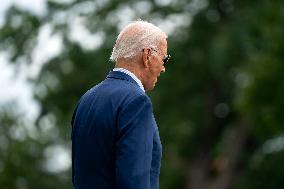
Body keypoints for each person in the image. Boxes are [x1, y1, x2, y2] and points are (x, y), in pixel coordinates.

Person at [71, 20, 170, 189]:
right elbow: (135, 181)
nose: (163, 68)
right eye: (164, 59)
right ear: (147, 56)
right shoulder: (137, 102)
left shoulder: (86, 100)